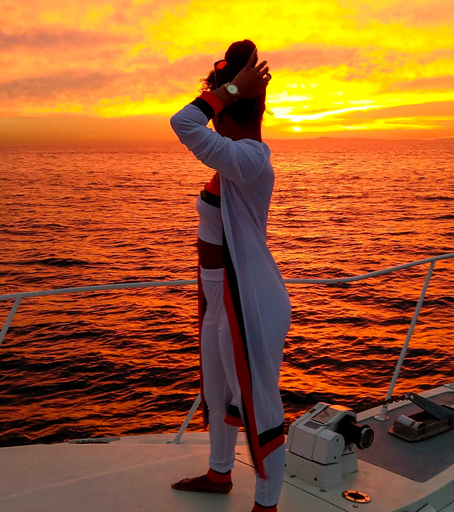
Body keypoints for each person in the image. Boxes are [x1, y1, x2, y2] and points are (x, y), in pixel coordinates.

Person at [169, 40, 292, 512]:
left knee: (260, 403)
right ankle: (220, 473)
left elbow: (183, 122)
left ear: (228, 108)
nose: (213, 115)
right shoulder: (232, 158)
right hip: (219, 296)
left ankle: (267, 504)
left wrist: (234, 87)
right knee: (217, 390)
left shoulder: (249, 160)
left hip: (250, 300)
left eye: (219, 102)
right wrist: (233, 87)